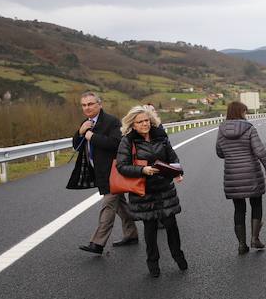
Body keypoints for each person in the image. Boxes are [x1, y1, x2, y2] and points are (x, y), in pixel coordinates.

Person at [116, 106, 187, 277]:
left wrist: (178, 172)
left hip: (164, 188)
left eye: (146, 120)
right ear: (133, 124)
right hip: (144, 191)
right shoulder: (128, 141)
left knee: (171, 225)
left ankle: (179, 257)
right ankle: (153, 263)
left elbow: (172, 157)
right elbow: (121, 166)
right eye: (140, 122)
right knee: (150, 229)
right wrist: (142, 170)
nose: (144, 124)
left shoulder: (160, 136)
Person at [74, 91, 138, 254]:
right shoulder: (86, 123)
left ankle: (97, 243)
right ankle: (132, 234)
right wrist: (80, 133)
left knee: (108, 205)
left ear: (99, 105)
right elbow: (77, 146)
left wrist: (91, 136)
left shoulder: (111, 121)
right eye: (84, 105)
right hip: (99, 172)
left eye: (90, 104)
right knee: (121, 206)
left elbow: (116, 143)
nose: (87, 107)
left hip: (114, 172)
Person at [215, 101, 266, 254]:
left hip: (232, 175)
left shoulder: (221, 130)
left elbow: (219, 152)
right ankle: (255, 238)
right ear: (241, 112)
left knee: (239, 209)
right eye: (244, 112)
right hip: (252, 173)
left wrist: (231, 154)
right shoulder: (249, 128)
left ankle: (242, 245)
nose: (245, 115)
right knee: (256, 204)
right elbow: (260, 151)